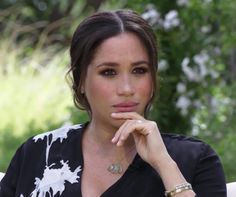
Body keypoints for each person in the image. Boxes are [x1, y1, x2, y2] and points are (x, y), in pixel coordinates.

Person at [0, 9, 226, 197]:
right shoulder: (39, 153)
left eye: (139, 70)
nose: (127, 89)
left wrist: (164, 164)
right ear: (80, 81)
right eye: (108, 72)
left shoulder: (195, 160)